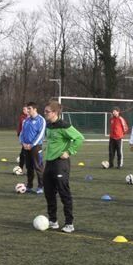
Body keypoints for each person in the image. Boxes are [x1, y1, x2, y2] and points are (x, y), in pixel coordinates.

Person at [41, 100, 85, 233]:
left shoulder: (64, 125)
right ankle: (53, 221)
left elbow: (79, 138)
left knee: (64, 193)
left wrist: (69, 152)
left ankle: (69, 223)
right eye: (45, 111)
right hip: (49, 163)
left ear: (55, 112)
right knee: (49, 193)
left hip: (61, 164)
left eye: (47, 111)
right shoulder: (49, 125)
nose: (45, 113)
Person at [19, 102, 47, 194]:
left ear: (35, 109)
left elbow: (41, 134)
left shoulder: (41, 120)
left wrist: (32, 144)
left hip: (36, 147)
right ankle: (29, 186)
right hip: (26, 147)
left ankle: (40, 187)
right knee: (29, 167)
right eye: (27, 108)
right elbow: (22, 133)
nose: (27, 110)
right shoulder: (26, 120)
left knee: (38, 167)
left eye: (29, 108)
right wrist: (23, 143)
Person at [17, 105, 30, 169]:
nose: (23, 110)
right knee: (23, 153)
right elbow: (22, 126)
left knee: (28, 153)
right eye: (23, 109)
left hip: (30, 138)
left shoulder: (33, 118)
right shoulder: (22, 117)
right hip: (24, 137)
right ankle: (20, 168)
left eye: (24, 109)